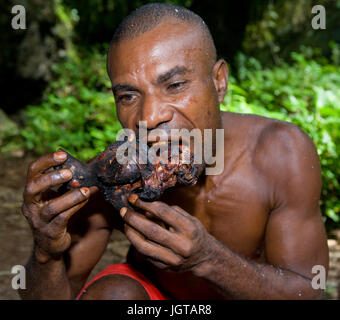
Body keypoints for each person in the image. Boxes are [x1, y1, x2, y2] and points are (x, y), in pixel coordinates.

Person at [19, 3, 329, 300]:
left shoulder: (280, 153)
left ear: (219, 82)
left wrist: (209, 259)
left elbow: (308, 290)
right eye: (128, 96)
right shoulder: (116, 179)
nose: (149, 116)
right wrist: (46, 253)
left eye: (175, 84)